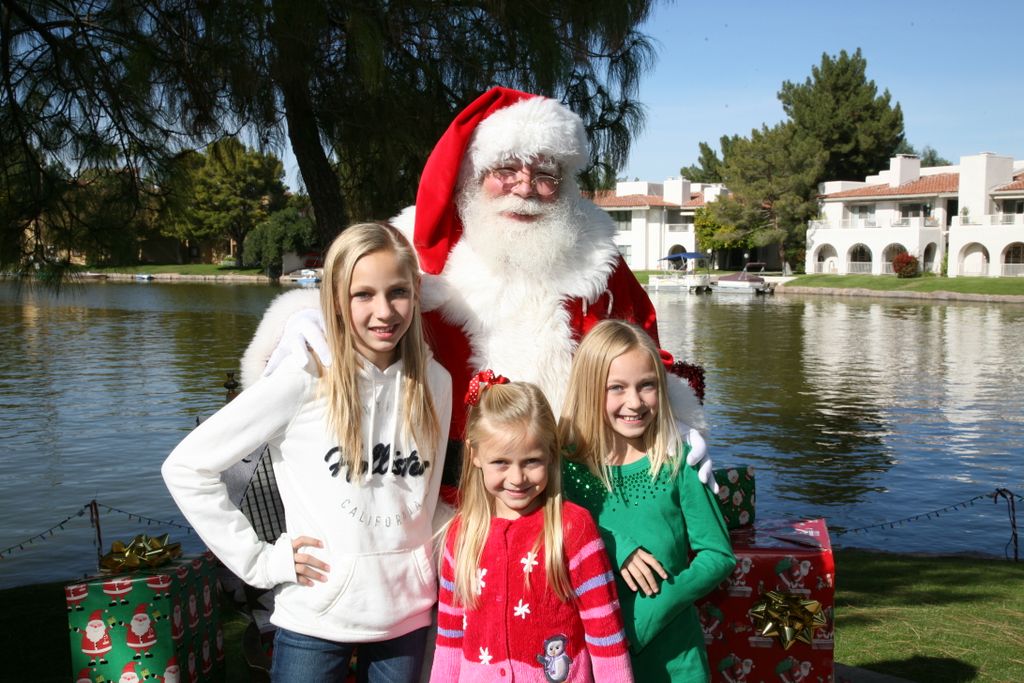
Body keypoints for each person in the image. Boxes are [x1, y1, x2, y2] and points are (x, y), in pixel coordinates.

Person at [240, 87, 712, 494]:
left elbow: (645, 351)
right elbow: (359, 295)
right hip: (446, 498)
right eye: (506, 168)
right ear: (473, 174)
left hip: (578, 489)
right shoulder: (417, 250)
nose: (524, 187)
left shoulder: (598, 260)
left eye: (545, 175)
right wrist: (309, 317)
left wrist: (677, 421)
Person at [163, 223, 453, 682]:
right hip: (315, 614)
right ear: (336, 299)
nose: (384, 311)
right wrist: (260, 562)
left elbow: (422, 494)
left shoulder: (436, 384)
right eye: (363, 295)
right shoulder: (305, 377)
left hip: (406, 615)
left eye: (397, 291)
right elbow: (186, 467)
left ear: (417, 291)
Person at [559, 320, 735, 682]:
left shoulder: (677, 459)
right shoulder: (566, 467)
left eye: (647, 386)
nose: (634, 402)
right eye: (616, 388)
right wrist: (615, 545)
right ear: (589, 389)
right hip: (590, 657)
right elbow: (552, 528)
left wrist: (657, 607)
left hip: (674, 659)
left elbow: (718, 555)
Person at [429, 373, 633, 682]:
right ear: (475, 455)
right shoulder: (461, 536)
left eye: (531, 462)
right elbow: (449, 637)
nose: (517, 478)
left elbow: (605, 633)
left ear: (551, 455)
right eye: (501, 462)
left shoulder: (574, 529)